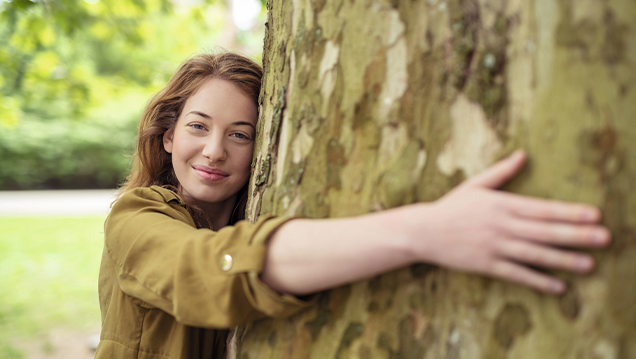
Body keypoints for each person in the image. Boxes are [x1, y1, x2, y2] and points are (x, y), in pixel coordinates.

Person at [95, 52, 611, 359]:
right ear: (166, 136)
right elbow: (203, 270)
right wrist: (428, 231)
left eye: (240, 134)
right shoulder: (134, 218)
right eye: (198, 126)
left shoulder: (248, 212)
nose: (214, 151)